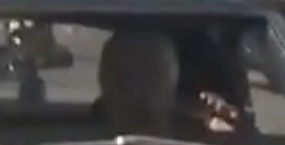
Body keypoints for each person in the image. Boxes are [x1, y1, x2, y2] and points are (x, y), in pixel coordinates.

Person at [94, 29, 240, 136]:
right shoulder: (81, 137)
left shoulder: (201, 139)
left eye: (153, 73)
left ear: (171, 79)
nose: (142, 86)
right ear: (108, 78)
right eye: (127, 74)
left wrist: (223, 132)